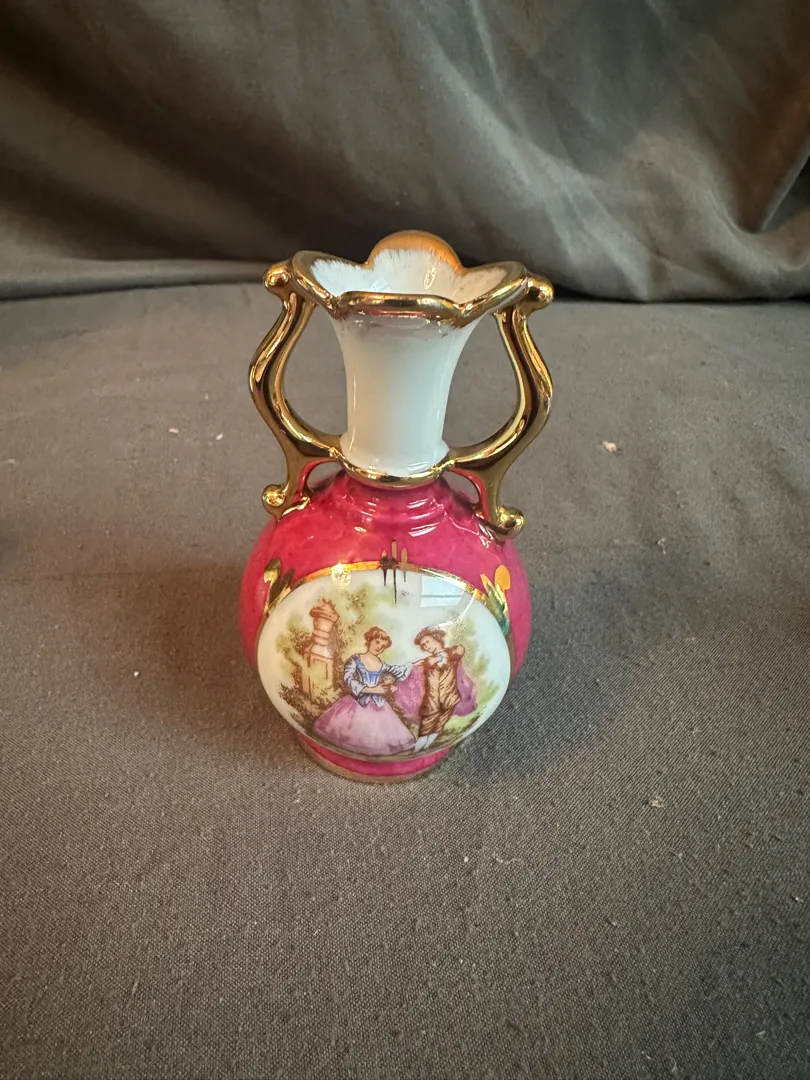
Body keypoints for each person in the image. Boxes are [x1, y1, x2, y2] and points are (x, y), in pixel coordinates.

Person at [312, 627, 415, 755]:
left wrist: (414, 664)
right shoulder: (355, 660)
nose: (379, 647)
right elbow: (348, 679)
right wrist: (372, 689)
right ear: (369, 640)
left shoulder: (382, 664)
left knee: (380, 734)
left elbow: (399, 671)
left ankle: (373, 756)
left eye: (383, 646)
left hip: (378, 704)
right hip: (357, 702)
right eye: (377, 642)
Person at [411, 627, 474, 752]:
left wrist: (445, 655)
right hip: (432, 698)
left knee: (441, 723)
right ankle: (418, 747)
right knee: (427, 723)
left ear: (437, 638)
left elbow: (460, 649)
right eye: (424, 646)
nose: (426, 647)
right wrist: (436, 659)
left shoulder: (451, 652)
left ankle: (428, 745)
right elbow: (425, 664)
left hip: (449, 695)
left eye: (427, 642)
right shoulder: (429, 660)